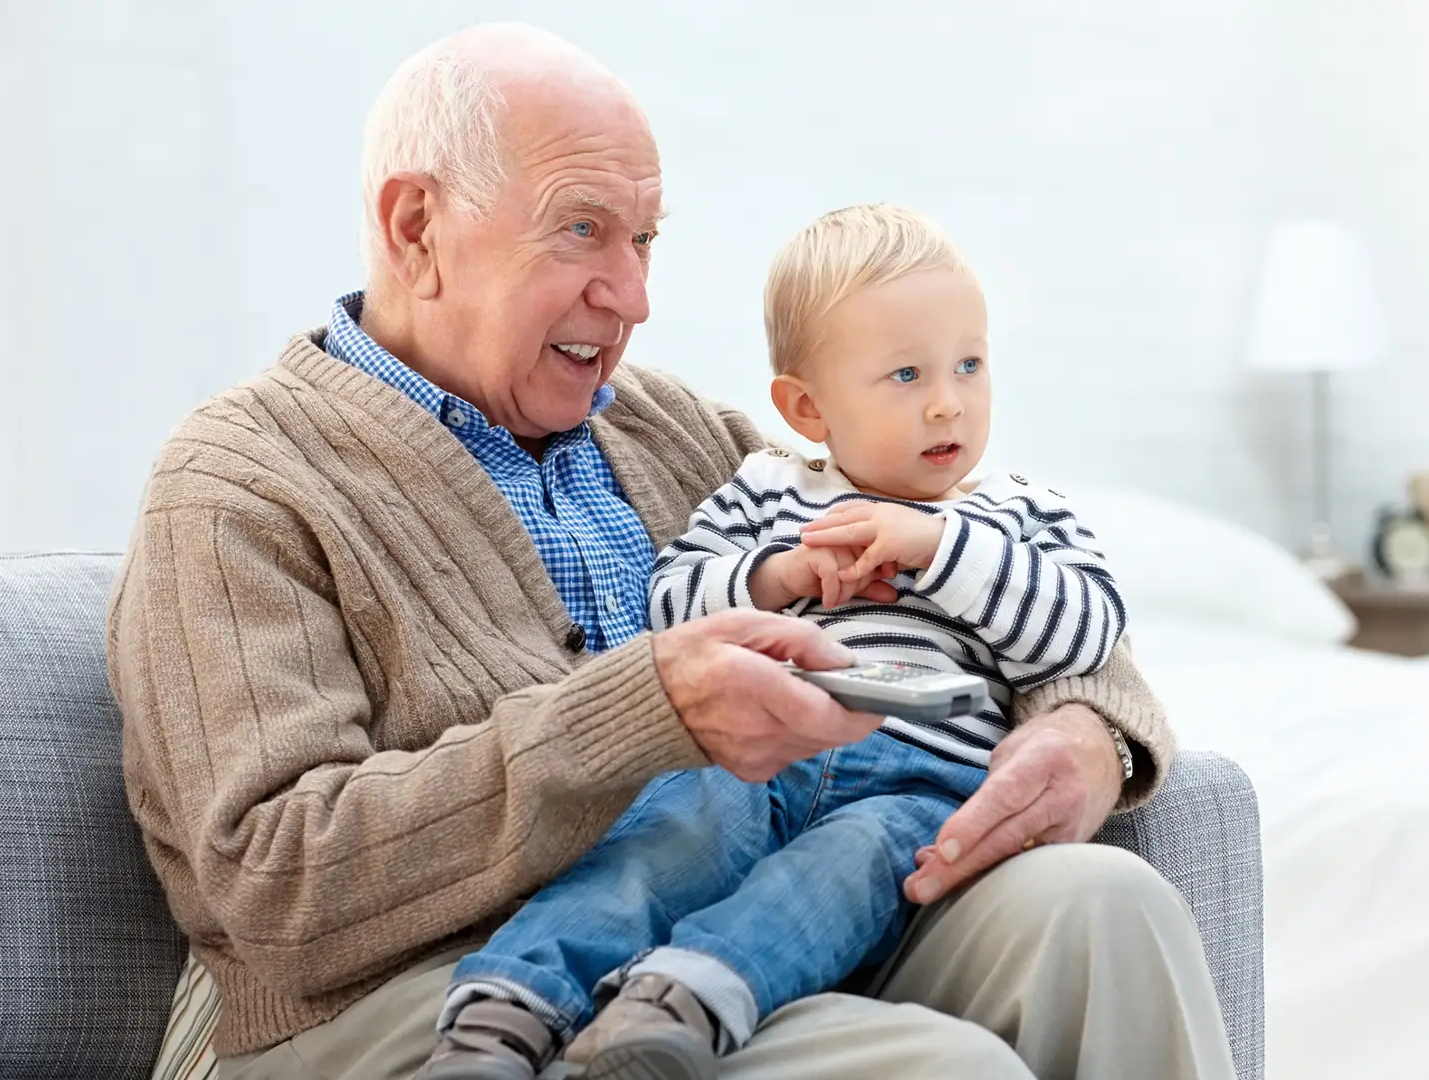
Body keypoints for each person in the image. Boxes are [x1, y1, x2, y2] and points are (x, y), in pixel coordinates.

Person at [107, 22, 1236, 1080]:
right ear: (417, 229)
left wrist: (1090, 727)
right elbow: (271, 888)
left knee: (1106, 909)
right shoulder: (240, 484)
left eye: (644, 239)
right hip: (428, 987)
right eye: (583, 230)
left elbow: (999, 577)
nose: (633, 294)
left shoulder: (682, 434)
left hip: (756, 900)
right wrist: (639, 712)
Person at [422, 204, 1133, 1080]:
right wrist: (776, 579)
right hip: (758, 759)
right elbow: (671, 604)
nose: (949, 401)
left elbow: (1086, 634)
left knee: (840, 877)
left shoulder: (1018, 513)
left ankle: (679, 1004)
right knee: (669, 835)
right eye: (906, 375)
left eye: (970, 365)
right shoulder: (769, 492)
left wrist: (942, 549)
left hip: (918, 785)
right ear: (808, 408)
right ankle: (504, 1011)